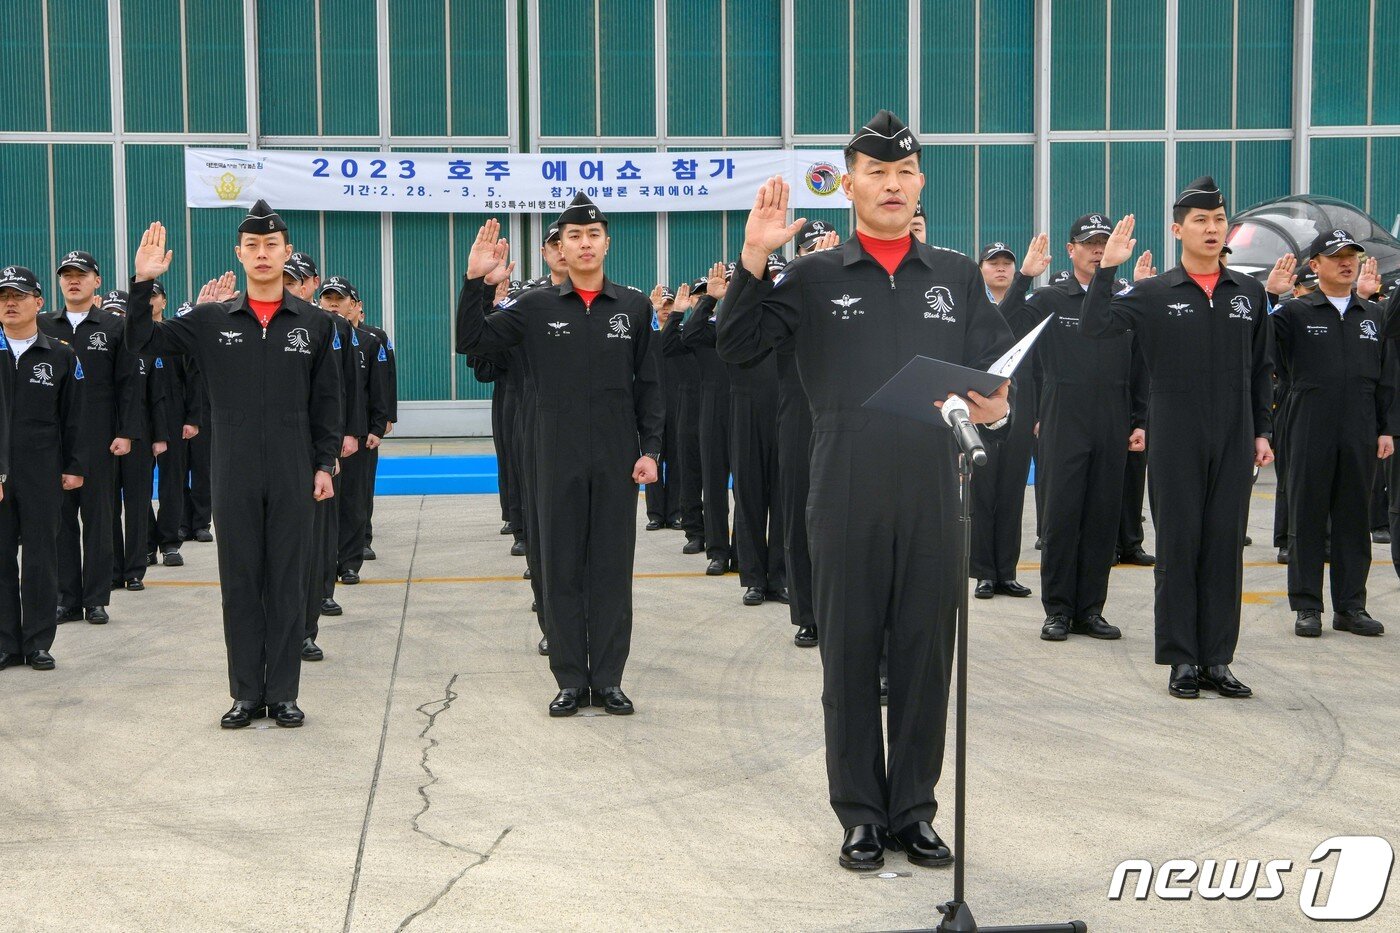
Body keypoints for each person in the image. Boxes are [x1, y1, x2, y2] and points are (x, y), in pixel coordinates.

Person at [716, 110, 1013, 872]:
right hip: (844, 484)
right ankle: (858, 813)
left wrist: (1001, 405)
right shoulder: (814, 277)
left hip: (932, 490)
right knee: (847, 657)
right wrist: (753, 257)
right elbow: (738, 348)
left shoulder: (954, 275)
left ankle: (913, 809)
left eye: (902, 173)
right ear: (848, 184)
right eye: (874, 173)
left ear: (920, 183)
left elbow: (995, 371)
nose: (889, 185)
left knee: (924, 654)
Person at [126, 203, 341, 729]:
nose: (263, 254)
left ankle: (284, 692)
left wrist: (323, 463)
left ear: (286, 254)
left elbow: (327, 400)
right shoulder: (208, 321)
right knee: (240, 579)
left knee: (288, 580)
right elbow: (141, 342)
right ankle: (247, 692)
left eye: (272, 246)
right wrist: (142, 285)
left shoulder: (313, 323)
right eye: (253, 246)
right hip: (234, 469)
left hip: (294, 470)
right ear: (239, 255)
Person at [456, 196, 664, 718]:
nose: (585, 243)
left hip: (617, 455)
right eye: (574, 236)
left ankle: (610, 679)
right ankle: (571, 678)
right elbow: (471, 339)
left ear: (606, 242)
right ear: (561, 248)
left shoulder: (633, 308)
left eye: (593, 234)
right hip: (552, 453)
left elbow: (651, 385)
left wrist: (652, 450)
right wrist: (476, 284)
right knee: (559, 565)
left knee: (612, 568)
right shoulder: (535, 306)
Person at [1080, 178, 1279, 700]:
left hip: (1234, 438)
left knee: (1223, 549)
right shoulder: (1152, 294)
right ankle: (1181, 660)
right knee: (1178, 546)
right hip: (1175, 437)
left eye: (1218, 220)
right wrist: (1108, 270)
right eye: (1200, 221)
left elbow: (1262, 368)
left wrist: (1262, 429)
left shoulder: (1249, 294)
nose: (1211, 229)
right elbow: (1094, 328)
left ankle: (1217, 659)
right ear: (1177, 229)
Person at [995, 220, 1148, 641]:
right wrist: (1024, 275)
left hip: (1113, 414)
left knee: (1102, 516)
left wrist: (1140, 419)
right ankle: (1058, 610)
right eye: (1089, 244)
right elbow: (1004, 327)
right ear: (1071, 250)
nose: (1097, 250)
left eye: (1104, 243)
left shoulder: (1123, 300)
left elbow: (1141, 366)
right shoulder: (1050, 296)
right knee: (1062, 515)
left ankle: (1090, 610)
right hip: (1064, 412)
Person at [1271, 229, 1393, 638]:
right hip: (1309, 420)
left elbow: (1385, 378)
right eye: (1336, 256)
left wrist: (1385, 428)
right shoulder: (1295, 313)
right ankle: (1307, 606)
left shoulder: (1372, 315)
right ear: (1315, 265)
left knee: (1354, 516)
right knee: (1307, 515)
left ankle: (1350, 606)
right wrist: (1274, 298)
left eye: (1351, 255)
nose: (1347, 262)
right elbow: (1259, 346)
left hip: (1359, 425)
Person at [687, 259, 789, 605]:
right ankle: (754, 579)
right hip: (744, 409)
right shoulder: (736, 318)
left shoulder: (789, 317)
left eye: (776, 275)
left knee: (783, 499)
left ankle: (779, 577)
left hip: (785, 411)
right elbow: (693, 335)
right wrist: (710, 300)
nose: (771, 281)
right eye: (765, 275)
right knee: (749, 497)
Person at [0, 265, 85, 671]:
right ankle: (5, 642)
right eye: (3, 298)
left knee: (40, 556)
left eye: (18, 296)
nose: (10, 303)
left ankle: (37, 642)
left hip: (42, 471)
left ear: (38, 302)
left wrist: (73, 466)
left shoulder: (60, 354)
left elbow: (73, 418)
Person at [43, 250, 133, 626]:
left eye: (81, 274)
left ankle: (96, 598)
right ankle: (68, 598)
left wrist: (126, 432)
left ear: (97, 281)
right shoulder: (45, 326)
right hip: (56, 441)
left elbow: (128, 384)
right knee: (60, 521)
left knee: (99, 520)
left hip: (99, 438)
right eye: (67, 275)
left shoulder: (113, 327)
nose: (73, 280)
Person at [969, 241, 1038, 600]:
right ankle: (982, 571)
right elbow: (1001, 321)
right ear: (980, 269)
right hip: (981, 408)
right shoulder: (975, 307)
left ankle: (1005, 572)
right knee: (982, 493)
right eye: (992, 263)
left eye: (1007, 264)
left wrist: (1038, 413)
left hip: (1020, 410)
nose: (1001, 269)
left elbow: (1039, 364)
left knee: (1011, 493)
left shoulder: (1029, 308)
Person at [106, 289, 168, 592]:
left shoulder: (145, 351)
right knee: (107, 508)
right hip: (105, 440)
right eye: (112, 313)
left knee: (137, 503)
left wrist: (160, 437)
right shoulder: (97, 353)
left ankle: (134, 569)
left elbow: (157, 398)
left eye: (122, 314)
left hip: (141, 439)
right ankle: (114, 568)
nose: (117, 318)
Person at [682, 272, 738, 575]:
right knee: (714, 486)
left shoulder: (749, 325)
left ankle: (743, 551)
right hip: (713, 410)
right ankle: (718, 551)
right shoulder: (707, 331)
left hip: (747, 409)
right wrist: (709, 299)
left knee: (747, 488)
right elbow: (687, 334)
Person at [145, 285, 203, 568]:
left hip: (174, 420)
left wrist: (192, 418)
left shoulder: (175, 335)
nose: (149, 301)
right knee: (138, 487)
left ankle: (169, 543)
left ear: (164, 301)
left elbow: (193, 378)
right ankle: (145, 543)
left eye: (154, 296)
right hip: (140, 423)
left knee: (172, 483)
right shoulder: (131, 337)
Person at [661, 283, 707, 556]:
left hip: (721, 406)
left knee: (715, 481)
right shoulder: (685, 333)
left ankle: (716, 535)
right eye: (699, 296)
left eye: (707, 295)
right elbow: (666, 345)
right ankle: (695, 532)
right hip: (688, 407)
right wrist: (677, 313)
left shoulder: (720, 327)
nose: (702, 300)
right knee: (689, 474)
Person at [643, 285, 684, 531]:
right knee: (652, 458)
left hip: (678, 406)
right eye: (663, 306)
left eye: (670, 305)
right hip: (653, 407)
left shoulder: (682, 333)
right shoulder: (647, 334)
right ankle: (656, 514)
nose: (666, 310)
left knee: (678, 462)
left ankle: (675, 512)